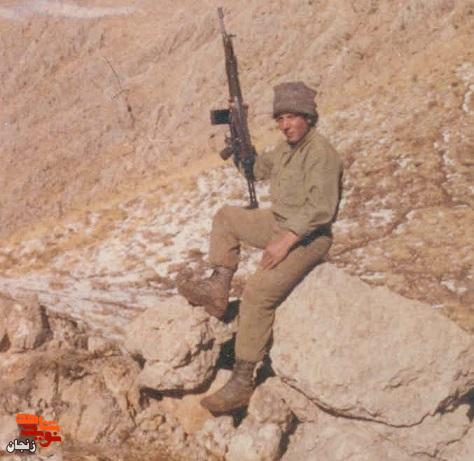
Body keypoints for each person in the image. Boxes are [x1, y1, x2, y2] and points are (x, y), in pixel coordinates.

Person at [177, 81, 343, 414]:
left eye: (292, 117)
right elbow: (258, 170)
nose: (285, 125)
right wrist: (241, 147)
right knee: (227, 217)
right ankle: (218, 288)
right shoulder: (286, 148)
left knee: (257, 292)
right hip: (280, 223)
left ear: (308, 117)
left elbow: (321, 208)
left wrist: (286, 240)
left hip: (309, 237)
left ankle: (242, 380)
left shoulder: (321, 153)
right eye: (280, 118)